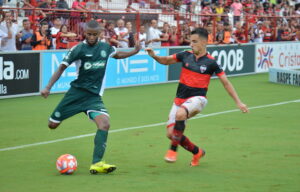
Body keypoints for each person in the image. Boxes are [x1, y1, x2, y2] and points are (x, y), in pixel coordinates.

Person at [41, 20, 141, 174]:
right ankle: (61, 118)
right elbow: (62, 67)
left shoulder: (105, 48)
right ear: (85, 33)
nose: (92, 37)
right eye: (89, 34)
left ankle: (97, 163)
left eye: (95, 34)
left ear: (100, 34)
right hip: (75, 94)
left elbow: (118, 54)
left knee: (104, 124)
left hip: (93, 98)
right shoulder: (78, 49)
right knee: (52, 124)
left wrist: (134, 51)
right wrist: (48, 87)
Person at [145, 28, 248, 166]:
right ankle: (197, 152)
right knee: (171, 134)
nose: (191, 44)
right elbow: (165, 61)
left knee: (181, 114)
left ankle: (172, 151)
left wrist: (239, 102)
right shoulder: (185, 55)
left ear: (204, 42)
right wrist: (154, 56)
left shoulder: (211, 62)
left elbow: (226, 83)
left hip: (198, 99)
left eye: (194, 42)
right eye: (190, 41)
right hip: (179, 100)